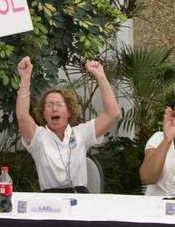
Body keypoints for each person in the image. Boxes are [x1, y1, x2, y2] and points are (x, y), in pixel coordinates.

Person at [15, 56, 121, 193]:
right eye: (49, 105)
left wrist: (100, 76)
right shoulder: (38, 137)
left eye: (59, 104)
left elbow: (113, 113)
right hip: (50, 201)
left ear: (69, 112)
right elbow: (22, 116)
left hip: (80, 199)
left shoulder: (81, 133)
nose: (54, 108)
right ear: (43, 114)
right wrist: (25, 78)